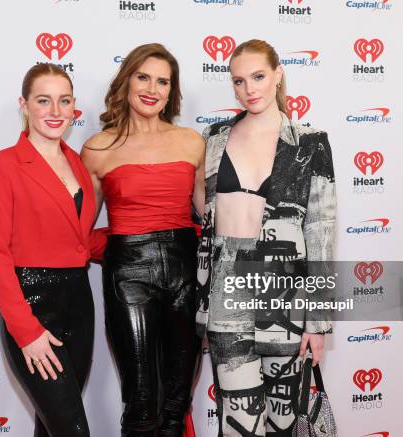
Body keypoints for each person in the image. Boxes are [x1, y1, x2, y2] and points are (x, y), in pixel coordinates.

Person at [195, 39, 336, 437]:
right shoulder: (214, 138)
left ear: (277, 75)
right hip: (226, 294)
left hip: (286, 299)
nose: (249, 89)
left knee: (285, 423)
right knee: (238, 423)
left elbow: (321, 231)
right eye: (238, 81)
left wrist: (319, 322)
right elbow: (202, 215)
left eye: (258, 76)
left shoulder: (310, 142)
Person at [81, 43, 205, 437]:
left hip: (187, 270)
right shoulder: (98, 148)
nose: (152, 88)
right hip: (128, 275)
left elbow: (210, 215)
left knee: (176, 402)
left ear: (172, 91)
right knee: (140, 402)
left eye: (163, 81)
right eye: (144, 77)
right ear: (127, 81)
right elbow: (79, 229)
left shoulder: (191, 141)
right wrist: (120, 249)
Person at [0, 63, 105, 437]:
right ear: (24, 104)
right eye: (43, 100)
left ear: (73, 106)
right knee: (72, 428)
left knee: (51, 427)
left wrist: (150, 235)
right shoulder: (1, 166)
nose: (54, 111)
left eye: (63, 101)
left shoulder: (77, 164)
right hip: (32, 303)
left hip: (79, 305)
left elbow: (78, 241)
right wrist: (26, 330)